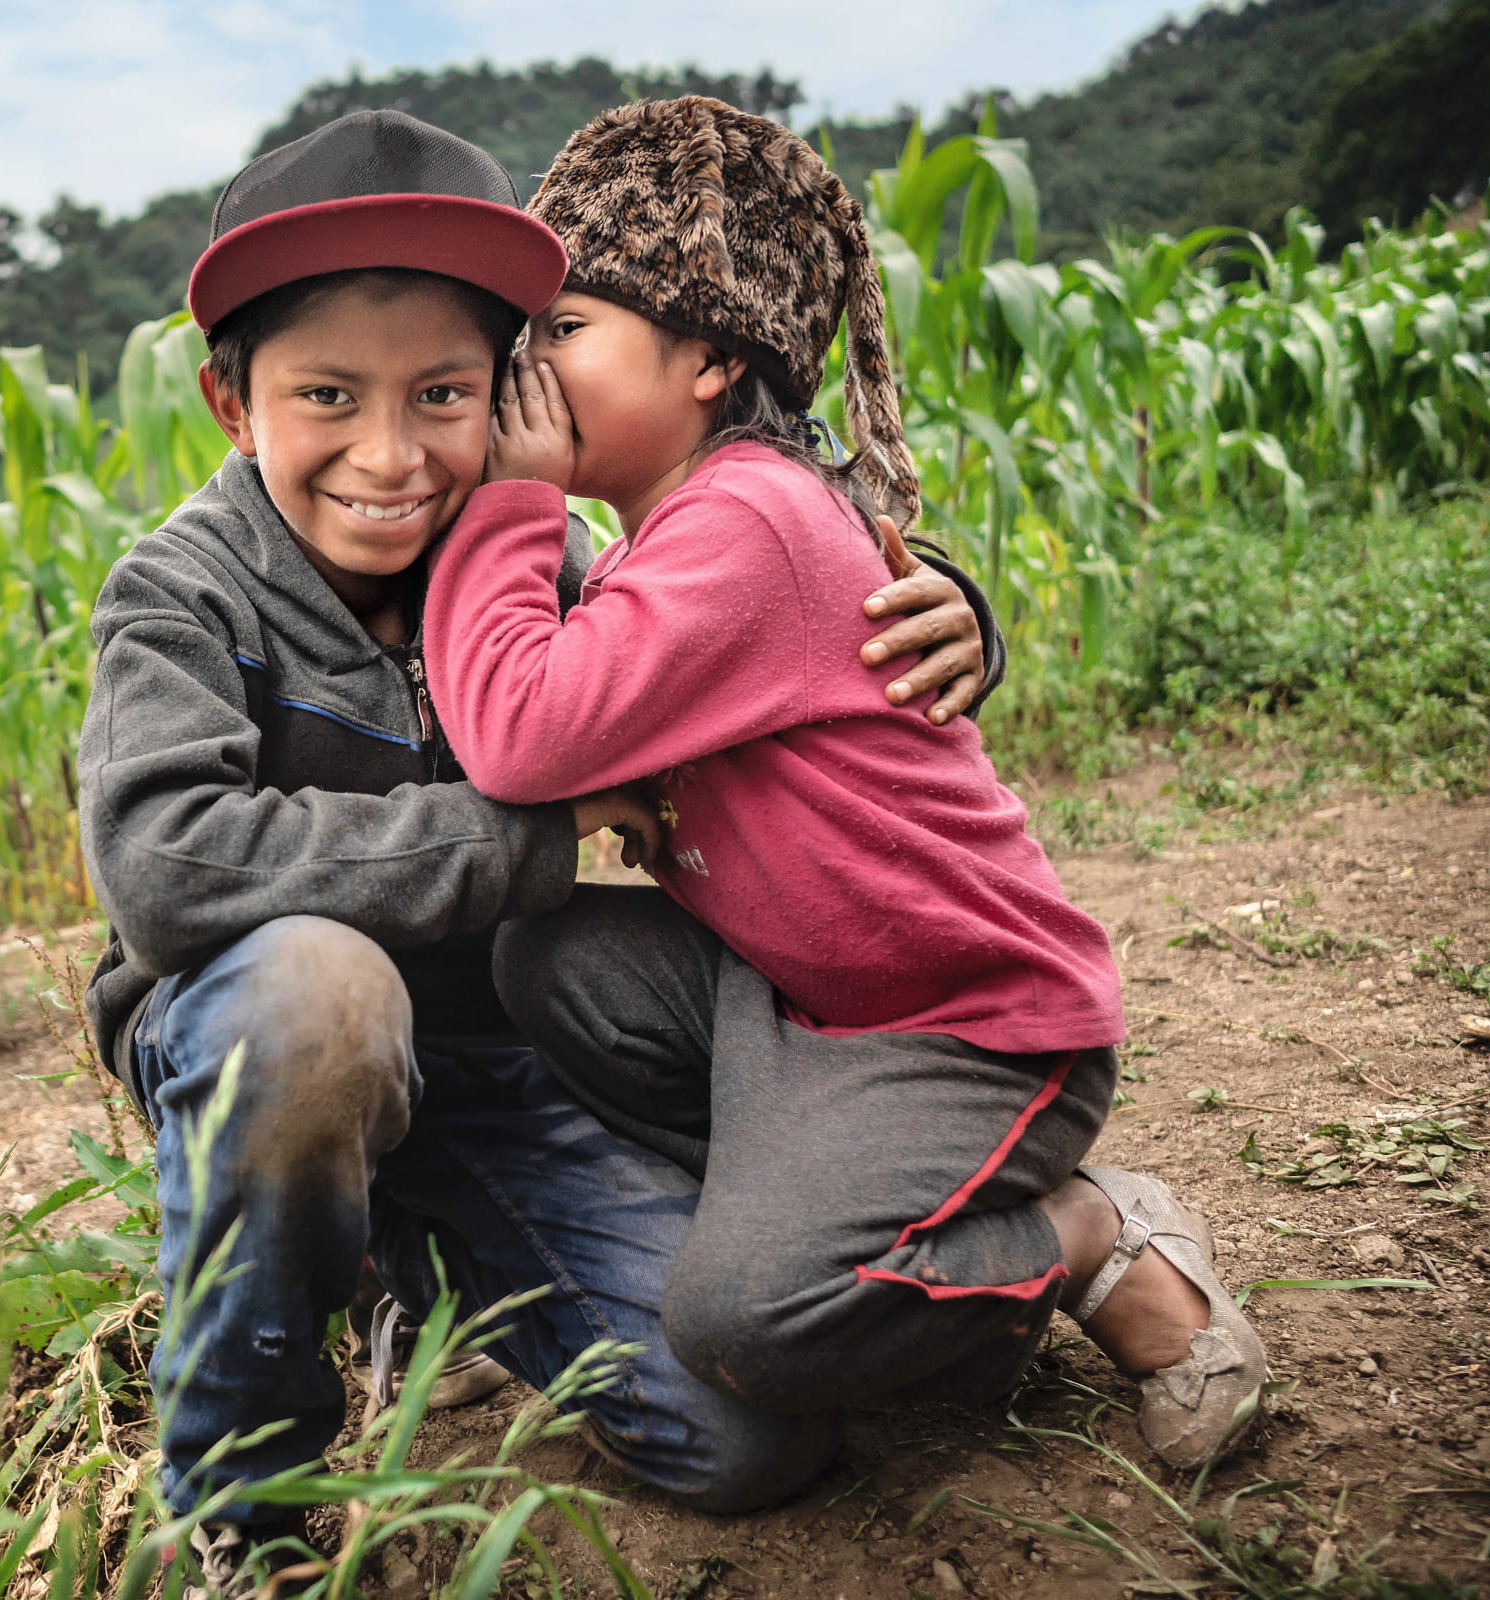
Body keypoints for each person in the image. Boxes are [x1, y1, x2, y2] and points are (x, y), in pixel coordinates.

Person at [76, 108, 1010, 1585]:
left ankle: (427, 1256)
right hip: (274, 1049)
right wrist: (532, 830)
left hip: (500, 1071)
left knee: (747, 1436)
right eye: (328, 395)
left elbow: (740, 591)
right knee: (322, 995)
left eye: (444, 395)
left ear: (509, 393)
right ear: (230, 403)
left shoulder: (525, 555)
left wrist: (948, 607)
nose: (391, 456)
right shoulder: (183, 594)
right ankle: (240, 1502)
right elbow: (168, 865)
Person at [418, 95, 1268, 1485]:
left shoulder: (741, 519)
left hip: (967, 1025)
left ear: (706, 355)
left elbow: (519, 737)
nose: (528, 368)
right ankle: (873, 1241)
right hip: (806, 1008)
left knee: (744, 1321)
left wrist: (513, 501)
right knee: (556, 956)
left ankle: (1093, 1234)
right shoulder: (679, 530)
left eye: (564, 330)